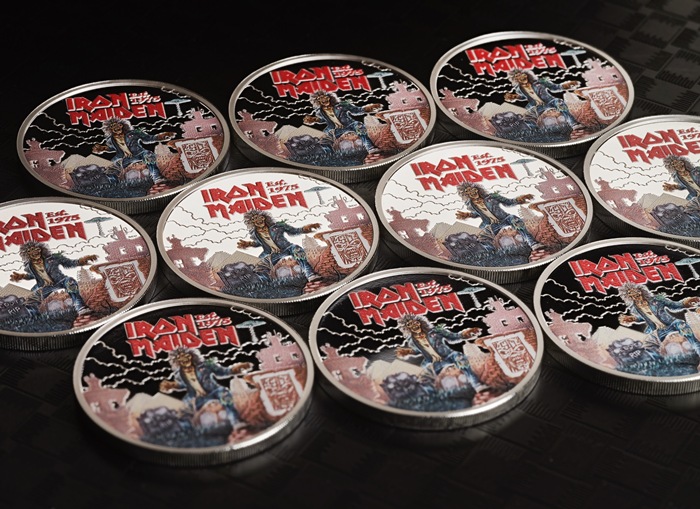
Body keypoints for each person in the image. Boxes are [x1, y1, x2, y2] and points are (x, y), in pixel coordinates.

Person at [159, 347, 253, 429]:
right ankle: (191, 432)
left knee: (226, 397)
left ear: (192, 356)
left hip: (214, 391)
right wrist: (172, 385)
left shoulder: (206, 365)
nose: (185, 359)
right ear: (177, 361)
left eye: (186, 356)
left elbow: (222, 371)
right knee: (183, 413)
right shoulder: (179, 374)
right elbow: (182, 385)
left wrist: (235, 369)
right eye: (180, 358)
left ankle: (236, 422)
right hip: (196, 398)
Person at [395, 314, 487, 392]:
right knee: (422, 377)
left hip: (449, 355)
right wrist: (407, 352)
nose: (414, 325)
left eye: (415, 322)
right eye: (410, 324)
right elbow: (416, 351)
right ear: (407, 328)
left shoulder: (435, 331)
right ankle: (432, 396)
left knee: (461, 359)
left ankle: (477, 385)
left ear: (420, 322)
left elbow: (453, 337)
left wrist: (465, 334)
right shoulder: (412, 341)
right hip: (432, 362)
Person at [10, 240, 97, 315]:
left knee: (71, 282)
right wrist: (22, 276)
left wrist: (81, 261)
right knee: (30, 300)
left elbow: (70, 263)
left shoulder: (53, 258)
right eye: (31, 251)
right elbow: (34, 275)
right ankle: (35, 317)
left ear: (41, 249)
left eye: (36, 249)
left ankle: (80, 307)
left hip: (60, 281)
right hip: (44, 286)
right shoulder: (29, 266)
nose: (35, 252)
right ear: (27, 254)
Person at [237, 209, 321, 282]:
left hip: (287, 248)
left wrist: (304, 229)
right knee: (258, 267)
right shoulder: (256, 233)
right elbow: (260, 242)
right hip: (271, 253)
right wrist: (249, 244)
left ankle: (310, 274)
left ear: (264, 218)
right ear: (252, 222)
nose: (258, 220)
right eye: (254, 219)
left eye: (260, 217)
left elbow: (294, 231)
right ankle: (266, 284)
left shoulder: (278, 226)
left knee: (297, 250)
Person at [617, 282, 700, 357]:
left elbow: (674, 305)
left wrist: (685, 303)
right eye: (631, 293)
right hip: (658, 330)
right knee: (648, 346)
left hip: (673, 323)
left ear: (641, 291)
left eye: (636, 291)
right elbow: (642, 318)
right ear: (628, 296)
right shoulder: (634, 309)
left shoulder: (657, 299)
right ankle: (664, 364)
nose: (635, 294)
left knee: (689, 335)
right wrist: (633, 319)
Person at [455, 181, 543, 251]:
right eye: (469, 191)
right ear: (466, 194)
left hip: (505, 218)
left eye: (473, 190)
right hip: (491, 224)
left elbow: (508, 202)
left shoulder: (492, 197)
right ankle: (491, 254)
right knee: (483, 238)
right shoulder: (471, 205)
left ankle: (533, 244)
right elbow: (478, 213)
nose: (472, 192)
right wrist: (468, 215)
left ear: (477, 189)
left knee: (516, 221)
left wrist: (518, 200)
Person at [92, 117, 176, 184]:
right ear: (110, 129)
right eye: (112, 126)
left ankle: (157, 177)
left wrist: (161, 136)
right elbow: (112, 148)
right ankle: (115, 185)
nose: (116, 127)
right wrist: (103, 148)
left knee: (149, 155)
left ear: (122, 125)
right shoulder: (110, 140)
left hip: (139, 153)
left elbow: (148, 138)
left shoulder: (134, 133)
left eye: (117, 125)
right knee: (109, 170)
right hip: (124, 158)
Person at [303, 90, 382, 154]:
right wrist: (314, 119)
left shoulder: (342, 105)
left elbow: (356, 110)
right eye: (320, 99)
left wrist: (368, 108)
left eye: (325, 97)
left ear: (329, 97)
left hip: (349, 124)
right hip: (335, 129)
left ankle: (370, 147)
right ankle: (331, 156)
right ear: (317, 101)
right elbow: (323, 120)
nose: (324, 100)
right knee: (323, 141)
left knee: (359, 126)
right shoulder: (319, 112)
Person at [504, 68, 583, 130]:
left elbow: (554, 87)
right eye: (517, 76)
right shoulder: (518, 89)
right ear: (515, 79)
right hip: (537, 106)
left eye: (521, 74)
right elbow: (524, 97)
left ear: (526, 74)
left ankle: (574, 123)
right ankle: (537, 132)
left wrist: (566, 85)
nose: (520, 77)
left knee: (559, 102)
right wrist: (515, 97)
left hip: (550, 101)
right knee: (527, 118)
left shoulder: (541, 81)